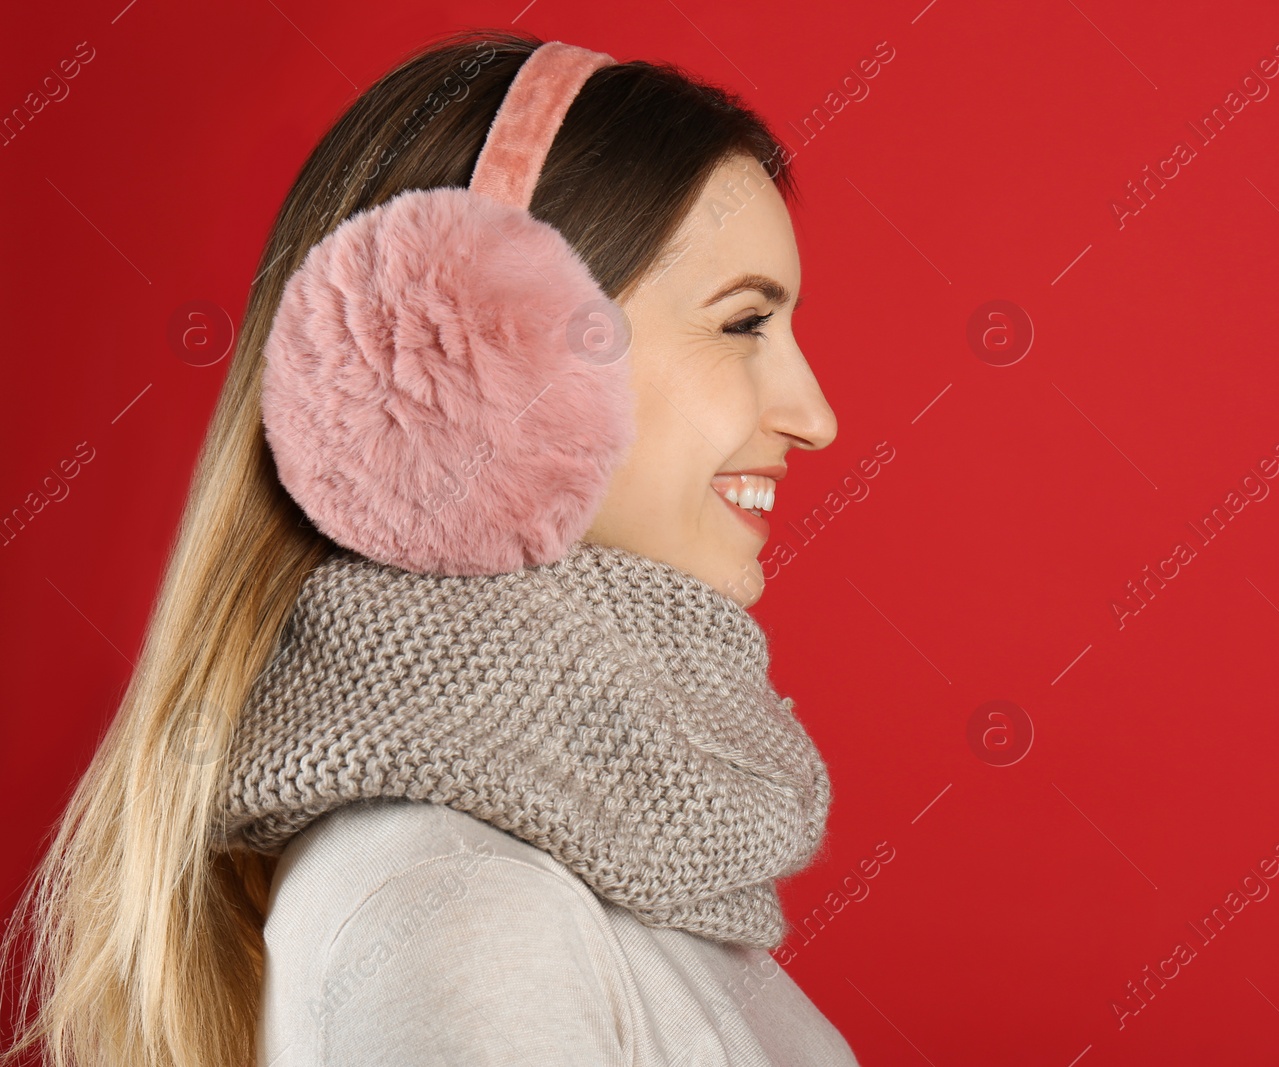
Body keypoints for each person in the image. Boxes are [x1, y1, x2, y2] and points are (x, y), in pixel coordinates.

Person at [1, 29, 856, 1067]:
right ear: (483, 355)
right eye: (741, 324)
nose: (814, 416)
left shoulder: (546, 864)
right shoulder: (462, 903)